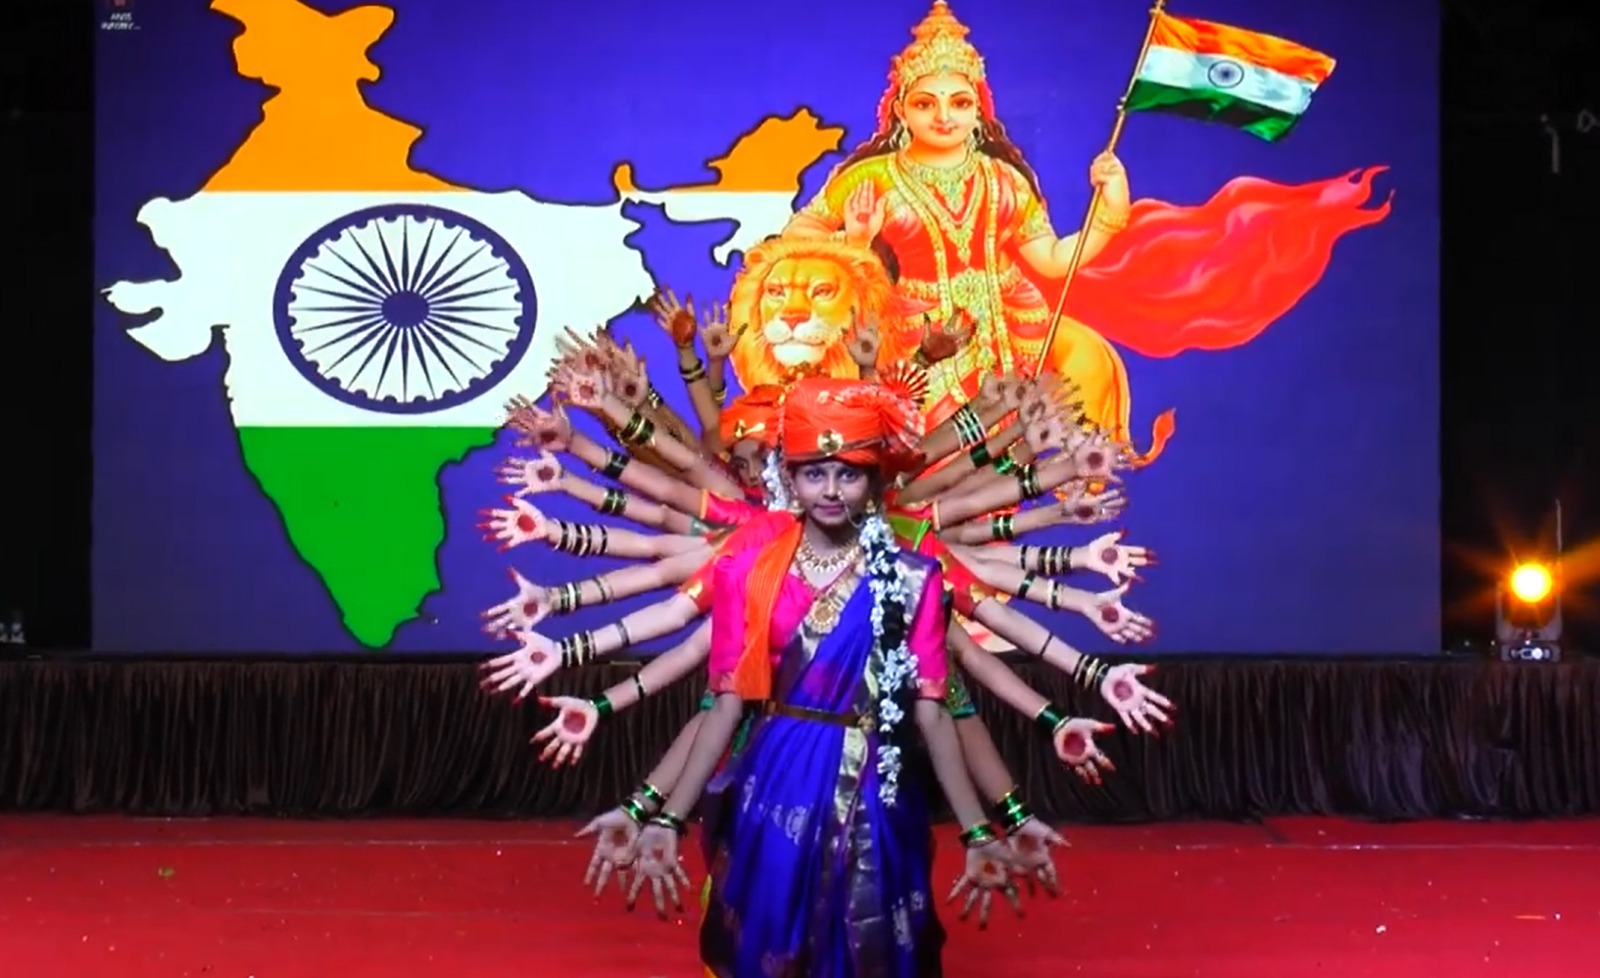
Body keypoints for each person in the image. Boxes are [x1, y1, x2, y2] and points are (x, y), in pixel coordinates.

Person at [625, 375, 1023, 976]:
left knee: (871, 937)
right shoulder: (745, 572)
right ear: (789, 477)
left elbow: (933, 712)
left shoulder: (913, 578)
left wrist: (977, 831)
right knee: (772, 938)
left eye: (849, 474)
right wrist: (667, 818)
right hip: (776, 775)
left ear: (875, 483)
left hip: (876, 783)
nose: (831, 490)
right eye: (814, 473)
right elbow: (725, 704)